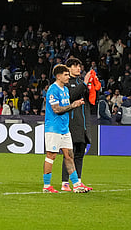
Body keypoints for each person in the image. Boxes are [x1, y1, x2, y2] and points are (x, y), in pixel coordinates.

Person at [42, 64, 87, 193]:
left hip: (64, 128)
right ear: (58, 76)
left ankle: (76, 184)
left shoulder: (65, 90)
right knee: (51, 155)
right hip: (54, 128)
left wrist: (75, 104)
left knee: (69, 155)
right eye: (66, 75)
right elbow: (56, 109)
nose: (68, 77)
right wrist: (73, 105)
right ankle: (46, 186)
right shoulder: (53, 89)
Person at [61, 58, 95, 192]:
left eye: (79, 66)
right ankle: (65, 182)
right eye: (75, 66)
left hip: (84, 123)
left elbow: (91, 101)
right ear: (68, 69)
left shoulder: (81, 83)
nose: (78, 68)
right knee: (69, 154)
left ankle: (78, 182)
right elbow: (71, 96)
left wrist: (93, 87)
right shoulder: (66, 84)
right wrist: (85, 83)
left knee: (80, 153)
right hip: (72, 123)